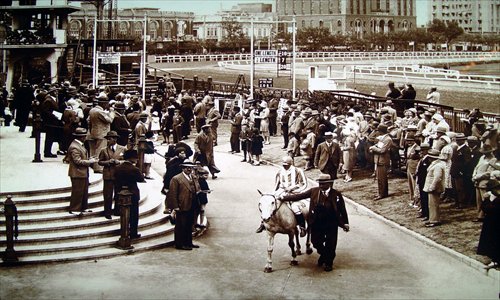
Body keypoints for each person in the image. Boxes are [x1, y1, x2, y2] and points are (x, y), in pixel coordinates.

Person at [280, 174, 349, 272]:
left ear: (329, 183)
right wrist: (283, 198)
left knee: (331, 244)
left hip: (331, 223)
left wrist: (345, 223)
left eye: (323, 184)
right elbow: (298, 196)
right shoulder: (314, 191)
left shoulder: (336, 194)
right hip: (317, 222)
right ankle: (325, 255)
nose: (321, 186)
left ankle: (329, 263)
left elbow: (342, 209)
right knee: (316, 242)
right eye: (320, 183)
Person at [256, 156, 308, 235]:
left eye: (286, 165)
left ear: (291, 164)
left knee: (295, 207)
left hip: (295, 193)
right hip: (282, 191)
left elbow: (303, 184)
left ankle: (302, 227)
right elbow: (277, 184)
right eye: (283, 165)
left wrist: (292, 188)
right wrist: (273, 193)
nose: (285, 166)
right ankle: (263, 223)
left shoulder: (298, 171)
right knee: (269, 203)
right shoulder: (280, 172)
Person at [167, 159, 201, 250]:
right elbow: (172, 193)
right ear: (182, 168)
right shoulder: (176, 179)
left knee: (189, 224)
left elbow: (197, 188)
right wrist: (175, 206)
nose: (189, 169)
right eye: (187, 167)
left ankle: (189, 242)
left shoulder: (193, 177)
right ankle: (179, 244)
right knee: (181, 225)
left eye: (191, 168)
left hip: (192, 204)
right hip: (182, 205)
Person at [114, 149, 145, 239]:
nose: (137, 160)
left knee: (124, 215)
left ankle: (124, 231)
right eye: (135, 158)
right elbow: (141, 179)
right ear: (132, 158)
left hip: (121, 193)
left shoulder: (118, 167)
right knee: (134, 215)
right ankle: (133, 233)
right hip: (133, 193)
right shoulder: (134, 169)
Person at [67, 128, 98, 216]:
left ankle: (83, 207)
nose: (85, 137)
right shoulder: (75, 147)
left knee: (84, 191)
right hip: (77, 173)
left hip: (82, 172)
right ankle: (74, 208)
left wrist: (89, 159)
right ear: (81, 137)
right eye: (84, 136)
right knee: (77, 192)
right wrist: (90, 162)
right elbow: (77, 161)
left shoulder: (79, 145)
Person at [98, 130, 126, 219]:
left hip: (119, 175)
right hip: (108, 175)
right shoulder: (103, 150)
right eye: (108, 139)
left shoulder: (123, 149)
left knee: (118, 194)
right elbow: (100, 162)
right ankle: (108, 212)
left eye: (110, 139)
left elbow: (128, 161)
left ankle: (117, 211)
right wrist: (107, 162)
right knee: (107, 195)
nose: (108, 141)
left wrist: (120, 162)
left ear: (115, 139)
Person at [477, 179, 500, 270]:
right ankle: (495, 259)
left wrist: (488, 200)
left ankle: (496, 260)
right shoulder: (493, 198)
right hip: (492, 223)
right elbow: (484, 208)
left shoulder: (496, 199)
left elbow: (489, 209)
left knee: (495, 241)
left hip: (496, 223)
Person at [88, 96, 115, 172]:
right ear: (103, 103)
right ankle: (98, 168)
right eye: (106, 103)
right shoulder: (100, 111)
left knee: (92, 151)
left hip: (93, 132)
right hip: (102, 134)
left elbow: (88, 121)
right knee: (99, 151)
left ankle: (92, 165)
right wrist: (112, 112)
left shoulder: (92, 110)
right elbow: (109, 120)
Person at [423, 150, 447, 227]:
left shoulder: (438, 166)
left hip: (434, 188)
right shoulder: (435, 164)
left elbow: (437, 178)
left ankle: (435, 220)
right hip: (431, 187)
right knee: (431, 204)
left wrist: (432, 187)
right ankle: (432, 219)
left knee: (434, 204)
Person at [369, 124, 392, 200]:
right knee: (379, 178)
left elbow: (382, 150)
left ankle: (382, 194)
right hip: (378, 160)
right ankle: (381, 193)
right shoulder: (382, 138)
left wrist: (373, 148)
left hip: (383, 161)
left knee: (382, 178)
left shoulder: (387, 139)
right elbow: (378, 147)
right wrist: (373, 148)